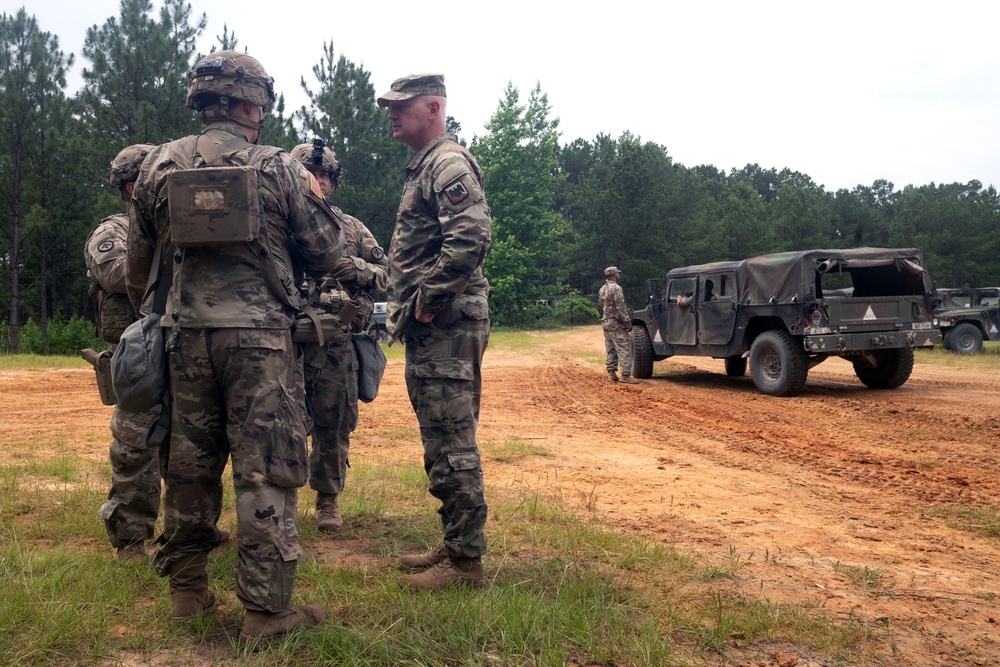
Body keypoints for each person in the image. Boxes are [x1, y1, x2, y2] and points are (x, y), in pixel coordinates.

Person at [125, 50, 343, 640]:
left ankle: (188, 594)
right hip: (260, 345)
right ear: (251, 103)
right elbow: (326, 250)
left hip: (185, 339)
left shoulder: (156, 167)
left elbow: (136, 268)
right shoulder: (279, 167)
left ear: (202, 100)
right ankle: (267, 613)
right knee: (265, 470)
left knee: (190, 468)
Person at [378, 73, 492, 590]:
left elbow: (470, 238)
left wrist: (427, 299)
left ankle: (466, 563)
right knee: (440, 434)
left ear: (432, 108)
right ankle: (454, 543)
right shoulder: (424, 166)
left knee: (451, 437)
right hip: (435, 326)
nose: (391, 114)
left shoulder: (446, 163)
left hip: (445, 322)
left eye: (401, 106)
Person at [289, 142, 389, 533]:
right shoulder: (277, 222)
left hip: (335, 344)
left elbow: (387, 274)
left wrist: (355, 269)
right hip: (287, 343)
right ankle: (282, 502)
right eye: (313, 173)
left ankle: (327, 501)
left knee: (334, 424)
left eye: (327, 174)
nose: (321, 180)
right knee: (283, 424)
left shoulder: (351, 228)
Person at [85, 144, 162, 565]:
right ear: (134, 185)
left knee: (190, 444)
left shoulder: (175, 228)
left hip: (181, 345)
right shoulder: (111, 231)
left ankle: (192, 529)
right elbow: (118, 275)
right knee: (136, 445)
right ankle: (131, 539)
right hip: (137, 355)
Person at [598, 266, 638, 384]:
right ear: (615, 275)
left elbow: (601, 303)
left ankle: (611, 373)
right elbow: (620, 306)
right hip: (616, 323)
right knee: (624, 347)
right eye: (617, 273)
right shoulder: (616, 288)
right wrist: (627, 321)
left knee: (610, 348)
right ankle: (625, 375)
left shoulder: (602, 289)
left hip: (606, 322)